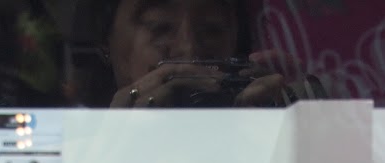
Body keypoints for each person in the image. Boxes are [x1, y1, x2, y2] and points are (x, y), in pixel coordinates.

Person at [69, 0, 295, 108]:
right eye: (159, 26)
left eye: (212, 29)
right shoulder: (76, 154)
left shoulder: (257, 129)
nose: (189, 49)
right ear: (105, 40)